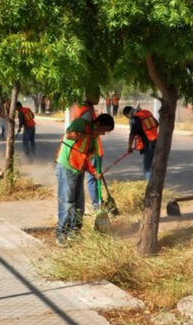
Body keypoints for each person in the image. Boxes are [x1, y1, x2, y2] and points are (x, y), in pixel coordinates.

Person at [55, 114, 114, 246]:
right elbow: (70, 135)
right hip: (67, 168)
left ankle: (74, 232)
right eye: (103, 130)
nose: (103, 134)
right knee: (67, 202)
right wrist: (89, 134)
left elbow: (86, 157)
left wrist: (94, 172)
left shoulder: (94, 139)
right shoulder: (81, 123)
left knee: (79, 203)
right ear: (98, 124)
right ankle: (61, 234)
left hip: (79, 169)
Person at [73, 101, 103, 211]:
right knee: (94, 178)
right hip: (94, 151)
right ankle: (99, 202)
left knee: (91, 180)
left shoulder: (84, 112)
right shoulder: (89, 112)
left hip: (92, 152)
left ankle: (97, 205)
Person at [123, 106, 159, 181]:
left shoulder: (135, 118)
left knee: (147, 166)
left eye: (127, 117)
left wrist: (129, 147)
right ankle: (154, 183)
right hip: (156, 140)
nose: (128, 119)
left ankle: (149, 185)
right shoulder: (146, 112)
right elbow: (156, 123)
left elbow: (132, 134)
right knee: (153, 164)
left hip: (148, 143)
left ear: (128, 114)